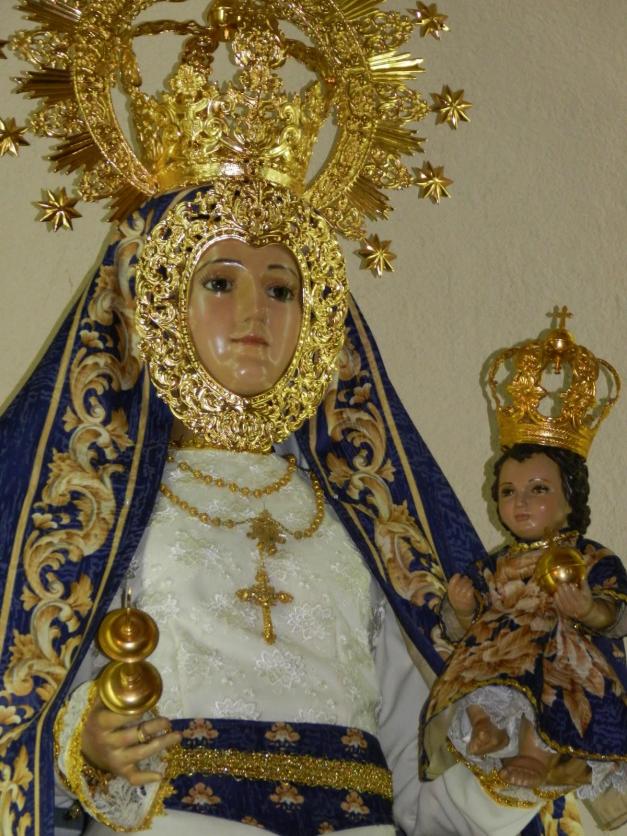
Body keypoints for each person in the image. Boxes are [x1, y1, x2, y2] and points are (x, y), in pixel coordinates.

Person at [0, 2, 582, 834]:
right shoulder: (98, 503)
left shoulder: (364, 513)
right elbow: (26, 702)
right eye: (218, 281)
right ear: (157, 300)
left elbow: (417, 771)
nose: (254, 314)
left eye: (281, 287)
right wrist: (87, 746)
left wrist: (507, 774)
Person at [420, 318, 627, 820]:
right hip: (502, 651)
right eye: (509, 491)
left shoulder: (590, 557)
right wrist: (462, 609)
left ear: (570, 500)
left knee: (552, 661)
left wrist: (588, 610)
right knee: (474, 662)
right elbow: (461, 629)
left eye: (539, 490)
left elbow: (617, 614)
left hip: (560, 646)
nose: (521, 503)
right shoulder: (498, 564)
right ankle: (485, 727)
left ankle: (535, 751)